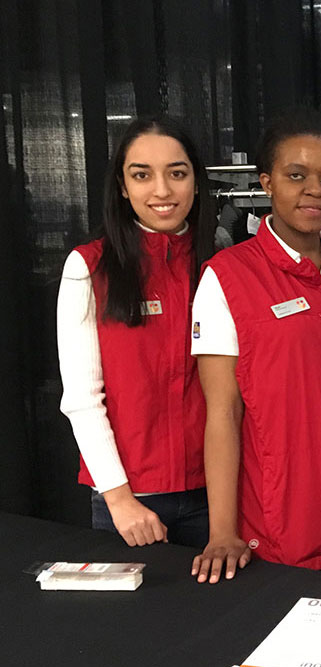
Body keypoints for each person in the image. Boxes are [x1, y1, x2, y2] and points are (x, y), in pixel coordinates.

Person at [190, 108, 321, 583]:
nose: (315, 190)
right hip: (282, 526)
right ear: (266, 183)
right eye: (296, 176)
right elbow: (222, 414)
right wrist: (222, 532)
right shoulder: (228, 276)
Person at [57, 115, 216, 548]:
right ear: (123, 187)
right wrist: (120, 499)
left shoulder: (221, 268)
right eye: (142, 175)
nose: (162, 191)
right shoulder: (89, 267)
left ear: (196, 183)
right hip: (128, 504)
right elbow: (82, 400)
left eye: (177, 174)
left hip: (214, 498)